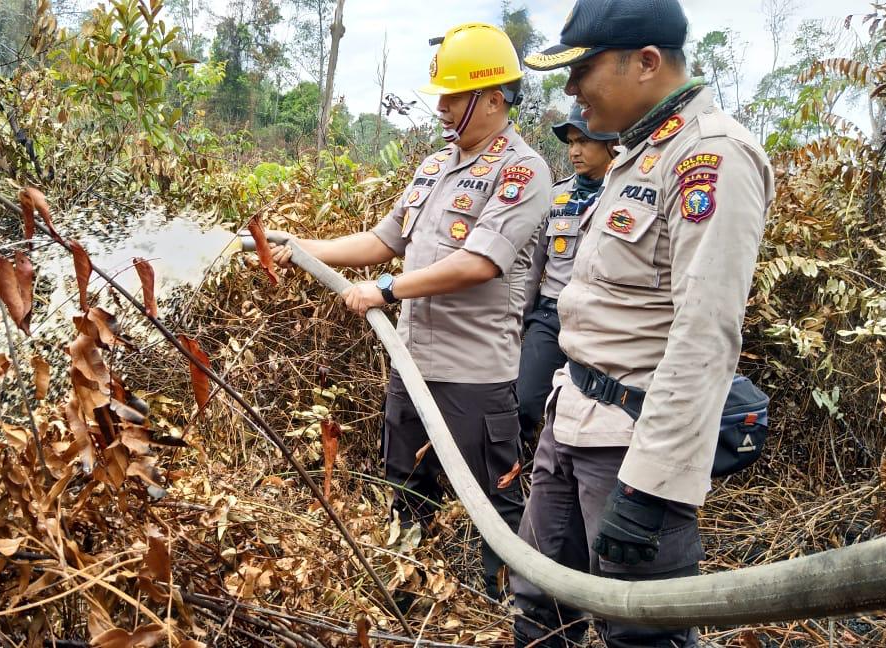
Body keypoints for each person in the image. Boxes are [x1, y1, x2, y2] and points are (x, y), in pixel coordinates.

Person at [507, 0, 775, 645]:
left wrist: (652, 488)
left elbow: (704, 338)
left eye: (584, 71)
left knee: (640, 631)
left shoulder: (712, 158)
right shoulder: (635, 154)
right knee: (538, 604)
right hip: (571, 420)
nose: (571, 91)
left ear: (647, 62)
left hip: (631, 447)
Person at [270, 22, 551, 598]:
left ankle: (508, 604)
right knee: (405, 486)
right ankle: (406, 591)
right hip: (412, 364)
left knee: (493, 499)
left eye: (454, 97)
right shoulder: (434, 167)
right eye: (441, 95)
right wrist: (295, 245)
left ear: (494, 99)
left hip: (472, 374)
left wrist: (387, 291)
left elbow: (479, 262)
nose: (442, 108)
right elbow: (379, 242)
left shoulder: (522, 173)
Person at [517, 104, 618, 445]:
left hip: (600, 320)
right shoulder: (557, 195)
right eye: (571, 142)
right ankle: (519, 471)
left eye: (584, 142)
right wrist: (522, 316)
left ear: (611, 145)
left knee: (589, 409)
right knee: (525, 400)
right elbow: (535, 263)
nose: (574, 151)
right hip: (550, 314)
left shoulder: (624, 196)